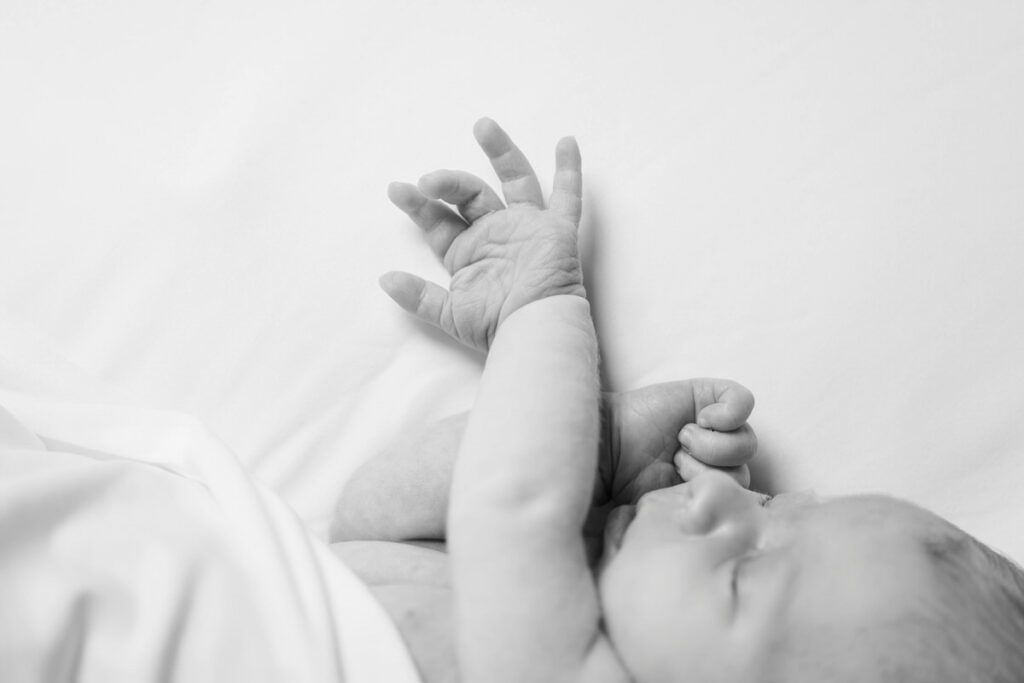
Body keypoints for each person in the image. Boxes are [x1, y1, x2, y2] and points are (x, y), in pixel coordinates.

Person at [331, 119, 1024, 683]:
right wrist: (602, 449)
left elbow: (511, 510)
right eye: (775, 507)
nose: (726, 498)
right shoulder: (525, 618)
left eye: (744, 572)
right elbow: (367, 523)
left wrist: (540, 307)